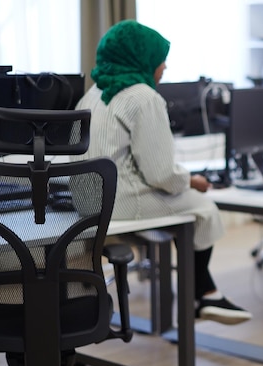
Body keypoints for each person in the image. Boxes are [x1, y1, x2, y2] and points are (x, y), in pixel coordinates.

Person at [73, 20, 251, 325]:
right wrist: (191, 180)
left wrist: (181, 179)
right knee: (203, 207)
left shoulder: (91, 94)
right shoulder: (143, 96)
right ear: (140, 58)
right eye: (160, 57)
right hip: (122, 203)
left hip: (86, 203)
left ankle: (204, 293)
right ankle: (203, 296)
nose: (165, 65)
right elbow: (160, 175)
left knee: (187, 199)